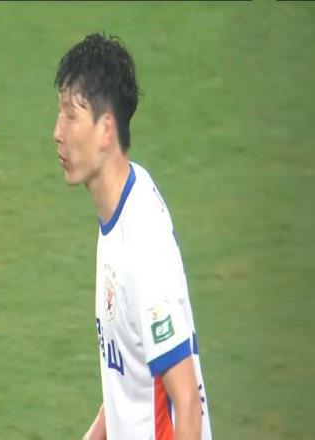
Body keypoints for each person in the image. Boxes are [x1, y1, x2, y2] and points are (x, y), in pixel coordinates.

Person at [53, 33, 212, 440]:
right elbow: (130, 373)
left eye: (70, 117)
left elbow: (186, 403)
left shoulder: (142, 246)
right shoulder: (122, 202)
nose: (57, 132)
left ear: (106, 130)